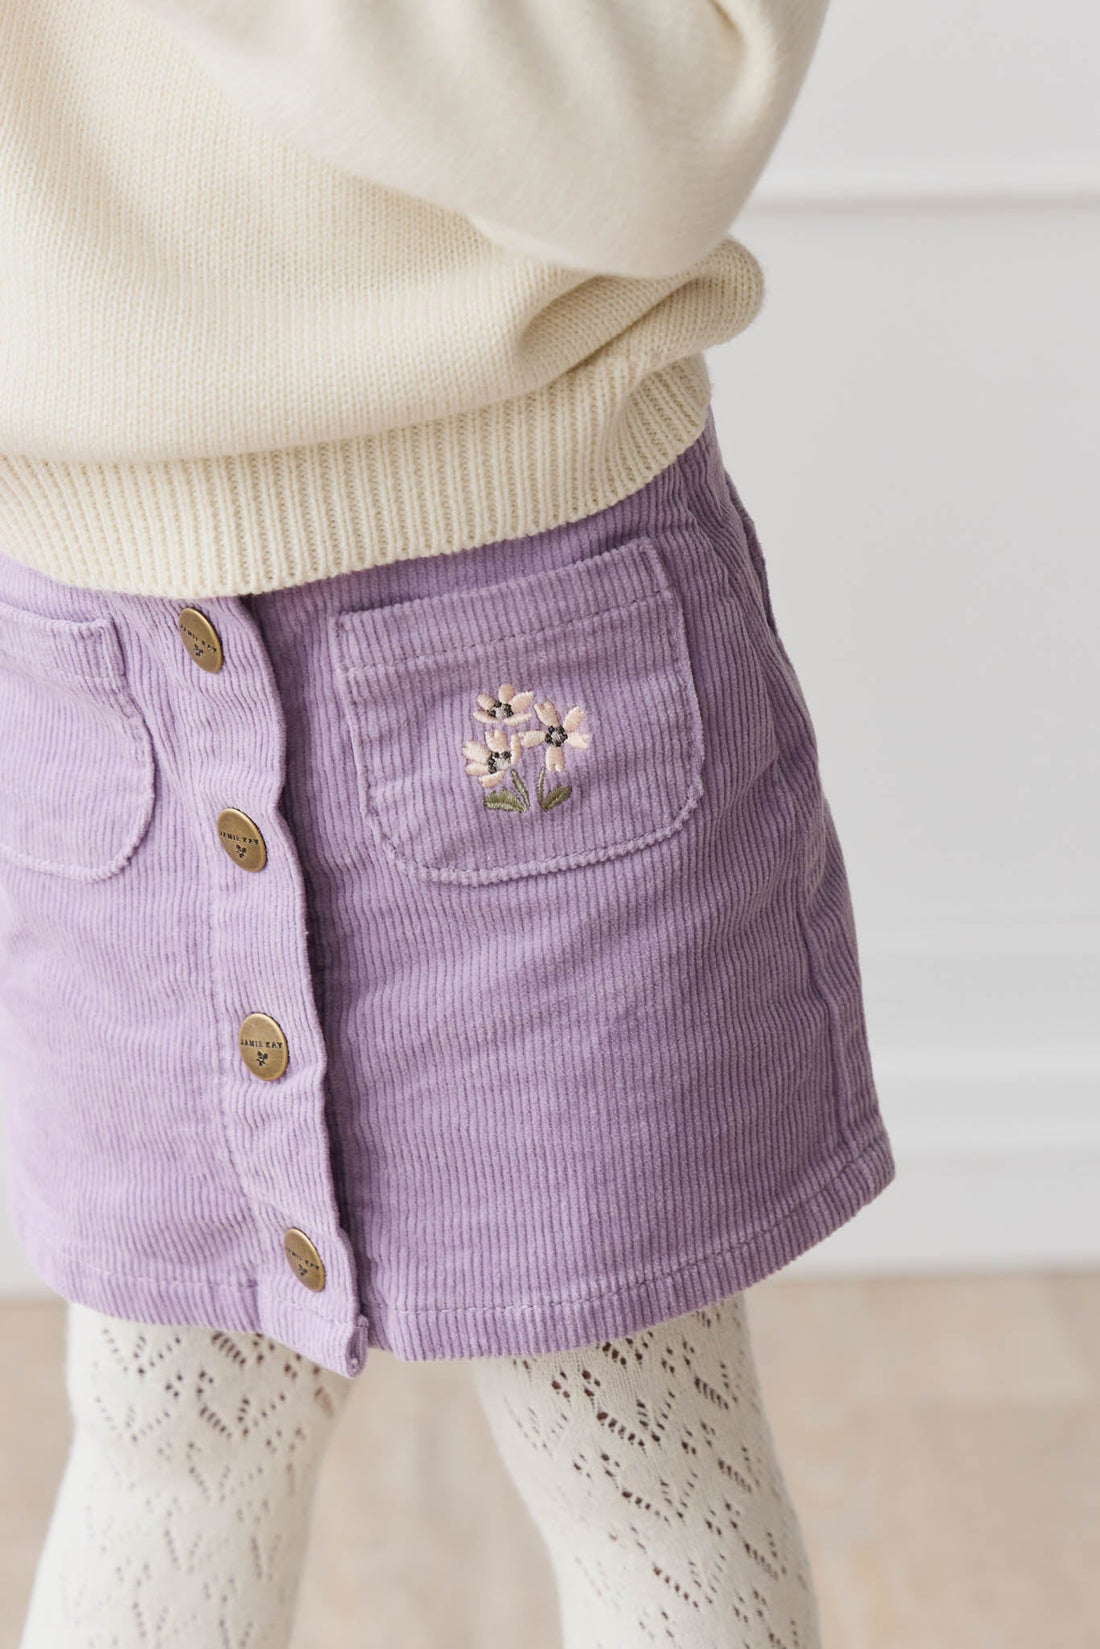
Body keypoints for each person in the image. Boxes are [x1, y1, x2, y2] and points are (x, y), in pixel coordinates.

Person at [1, 2, 894, 1643]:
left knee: (628, 1431)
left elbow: (677, 118)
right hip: (89, 652)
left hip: (531, 622)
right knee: (173, 1425)